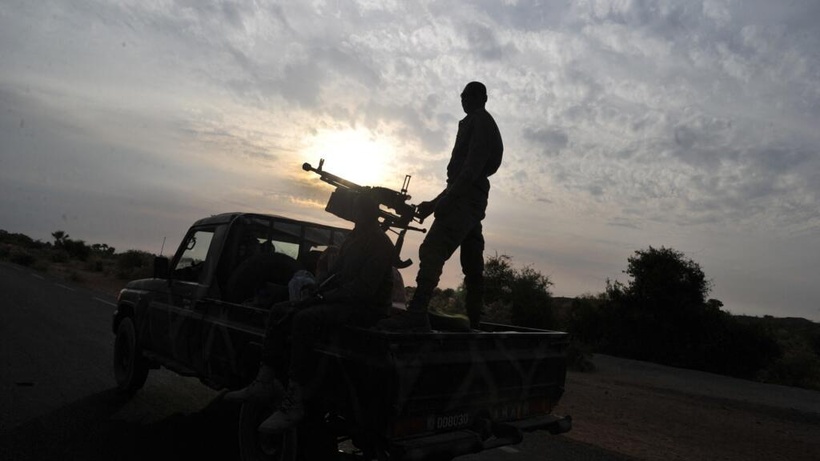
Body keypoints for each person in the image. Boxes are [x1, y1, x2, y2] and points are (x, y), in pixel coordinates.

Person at [224, 191, 395, 434]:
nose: (354, 212)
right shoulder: (354, 238)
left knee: (305, 319)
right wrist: (315, 289)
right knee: (281, 309)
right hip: (344, 301)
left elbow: (363, 290)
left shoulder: (379, 243)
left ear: (368, 211)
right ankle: (264, 380)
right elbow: (336, 275)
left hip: (367, 308)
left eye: (358, 207)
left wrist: (324, 297)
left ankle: (294, 400)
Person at [378, 81, 503, 331]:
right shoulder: (478, 122)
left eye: (466, 95)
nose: (462, 100)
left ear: (481, 97)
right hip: (469, 200)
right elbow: (463, 176)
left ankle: (417, 311)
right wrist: (433, 204)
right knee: (473, 266)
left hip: (464, 200)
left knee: (432, 249)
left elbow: (470, 170)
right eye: (461, 96)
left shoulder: (480, 122)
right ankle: (474, 321)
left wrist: (446, 201)